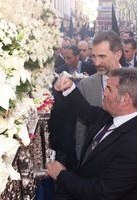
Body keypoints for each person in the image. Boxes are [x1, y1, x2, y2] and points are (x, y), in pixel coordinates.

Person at [46, 68, 137, 200]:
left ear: (125, 99)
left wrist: (61, 175)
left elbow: (101, 193)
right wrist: (70, 87)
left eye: (109, 89)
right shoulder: (111, 114)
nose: (104, 93)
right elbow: (87, 112)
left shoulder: (133, 146)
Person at [75, 30, 123, 160]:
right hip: (92, 161)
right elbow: (81, 129)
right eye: (94, 56)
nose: (96, 63)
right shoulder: (85, 85)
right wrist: (81, 160)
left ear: (117, 55)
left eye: (102, 56)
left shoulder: (134, 81)